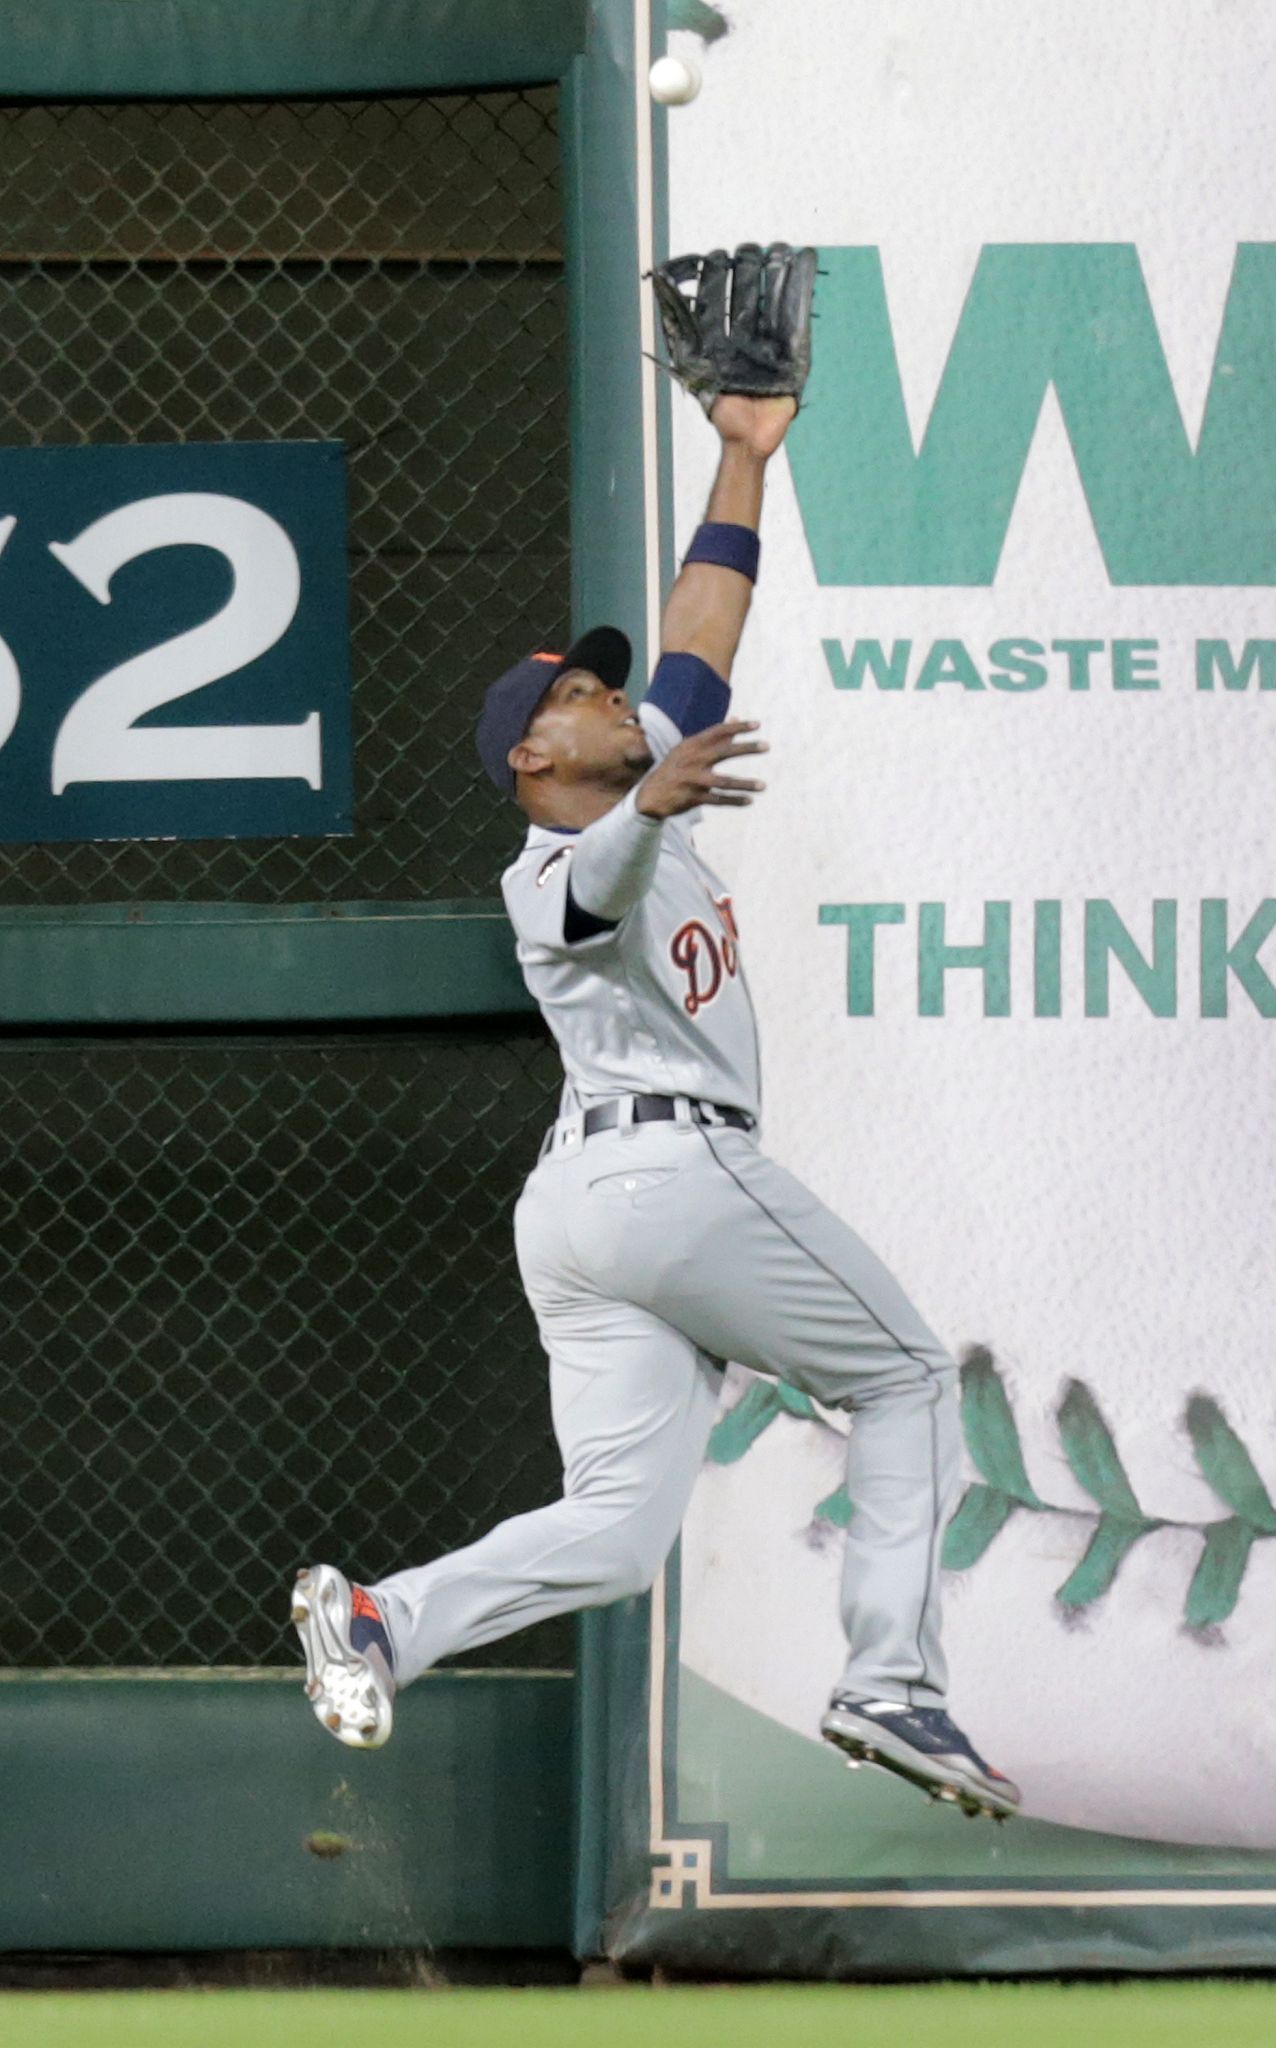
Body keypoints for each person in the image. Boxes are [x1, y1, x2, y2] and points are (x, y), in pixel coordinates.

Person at [289, 388, 1021, 1822]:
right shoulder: (554, 861)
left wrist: (742, 456)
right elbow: (594, 888)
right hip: (660, 1172)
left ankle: (382, 1621)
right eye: (576, 697)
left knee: (618, 1537)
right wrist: (653, 807)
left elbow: (700, 626)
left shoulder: (639, 774)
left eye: (605, 689)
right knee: (906, 1377)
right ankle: (890, 1681)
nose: (612, 698)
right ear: (532, 761)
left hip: (582, 1211)